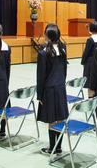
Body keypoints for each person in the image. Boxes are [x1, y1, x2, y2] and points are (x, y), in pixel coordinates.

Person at [37, 24, 69, 154]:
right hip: (61, 87)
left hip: (49, 90)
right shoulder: (63, 49)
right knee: (60, 118)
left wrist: (40, 95)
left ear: (47, 36)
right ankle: (59, 147)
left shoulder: (43, 53)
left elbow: (41, 76)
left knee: (51, 119)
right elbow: (65, 71)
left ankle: (52, 147)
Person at [81, 21, 97, 88]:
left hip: (90, 62)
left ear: (90, 29)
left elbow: (86, 52)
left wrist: (83, 62)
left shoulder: (90, 39)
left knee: (90, 82)